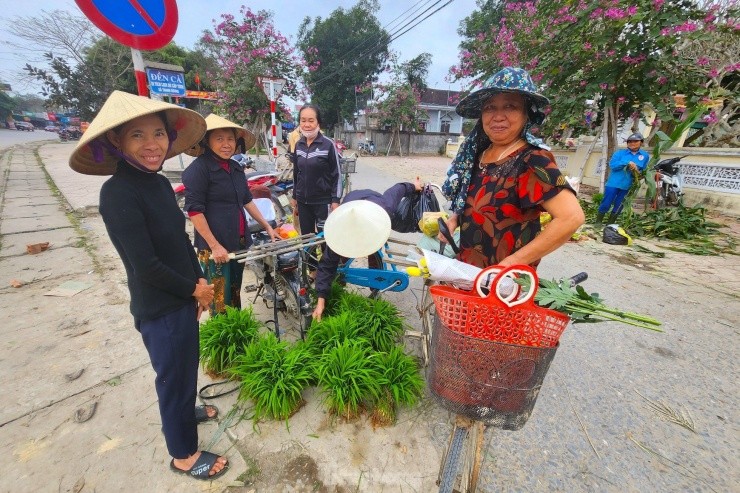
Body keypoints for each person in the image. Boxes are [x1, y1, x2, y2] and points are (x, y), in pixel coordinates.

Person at [68, 91, 228, 481]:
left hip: (183, 295)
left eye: (158, 133)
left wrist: (200, 278)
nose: (152, 144)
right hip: (160, 305)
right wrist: (194, 292)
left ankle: (184, 412)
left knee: (185, 365)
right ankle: (184, 455)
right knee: (173, 377)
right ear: (116, 142)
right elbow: (145, 266)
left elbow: (178, 238)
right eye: (137, 135)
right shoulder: (118, 193)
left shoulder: (156, 184)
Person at [441, 67, 584, 270]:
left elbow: (571, 218)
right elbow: (472, 201)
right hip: (468, 273)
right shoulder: (477, 155)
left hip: (504, 285)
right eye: (490, 107)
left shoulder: (532, 160)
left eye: (510, 106)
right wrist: (454, 218)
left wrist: (510, 264)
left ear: (527, 114)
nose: (498, 116)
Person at [182, 114, 281, 309]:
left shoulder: (235, 168)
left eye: (230, 139)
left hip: (239, 241)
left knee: (234, 290)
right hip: (215, 247)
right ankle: (224, 336)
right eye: (219, 139)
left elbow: (247, 201)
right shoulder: (198, 170)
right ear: (207, 141)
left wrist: (268, 227)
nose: (226, 144)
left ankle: (236, 330)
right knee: (218, 298)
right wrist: (215, 246)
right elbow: (194, 212)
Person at [312, 180, 423, 321]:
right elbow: (326, 265)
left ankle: (374, 287)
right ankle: (340, 276)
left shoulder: (385, 208)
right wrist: (320, 301)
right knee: (339, 254)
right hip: (350, 203)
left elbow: (397, 189)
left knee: (374, 250)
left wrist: (414, 186)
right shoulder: (340, 230)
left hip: (372, 204)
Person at [288, 104, 342, 237]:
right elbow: (296, 173)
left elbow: (337, 175)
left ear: (318, 122)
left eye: (311, 120)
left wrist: (335, 201)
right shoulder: (299, 145)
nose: (306, 124)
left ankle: (326, 259)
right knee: (307, 238)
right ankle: (308, 259)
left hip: (322, 202)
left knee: (325, 238)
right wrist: (295, 196)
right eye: (303, 120)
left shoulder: (328, 145)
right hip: (302, 202)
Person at [597, 132, 649, 224]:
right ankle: (598, 222)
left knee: (619, 205)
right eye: (630, 142)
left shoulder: (644, 156)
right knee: (606, 202)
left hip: (628, 185)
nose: (632, 143)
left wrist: (637, 171)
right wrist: (627, 162)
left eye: (635, 141)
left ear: (641, 142)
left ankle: (610, 224)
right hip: (614, 183)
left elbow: (643, 171)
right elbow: (612, 165)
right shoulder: (619, 153)